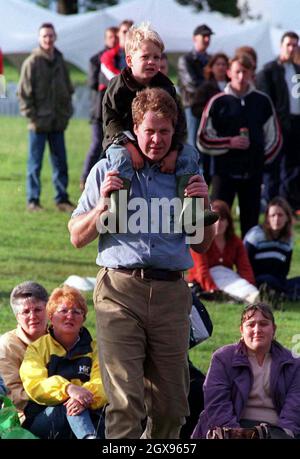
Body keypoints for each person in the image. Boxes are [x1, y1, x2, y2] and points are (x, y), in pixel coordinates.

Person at [68, 87, 215, 439]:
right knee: (125, 402)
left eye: (165, 132)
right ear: (135, 127)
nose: (156, 140)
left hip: (171, 294)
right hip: (120, 291)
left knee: (171, 408)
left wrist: (205, 204)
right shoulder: (108, 170)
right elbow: (76, 235)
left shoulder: (186, 174)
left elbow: (202, 244)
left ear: (174, 130)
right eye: (149, 131)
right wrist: (101, 209)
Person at [101, 22, 217, 230]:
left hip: (160, 144)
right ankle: (116, 211)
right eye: (145, 57)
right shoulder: (117, 87)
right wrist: (129, 146)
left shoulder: (166, 87)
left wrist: (173, 152)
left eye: (157, 57)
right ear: (129, 60)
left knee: (190, 154)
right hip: (124, 142)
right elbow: (110, 120)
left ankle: (191, 212)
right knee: (119, 158)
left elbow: (179, 124)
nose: (152, 62)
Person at [198, 53, 282, 238]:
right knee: (217, 222)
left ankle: (247, 265)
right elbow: (203, 138)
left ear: (252, 73)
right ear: (229, 72)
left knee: (250, 226)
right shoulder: (218, 101)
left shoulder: (262, 101)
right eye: (237, 72)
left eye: (245, 72)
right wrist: (229, 142)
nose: (241, 77)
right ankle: (213, 264)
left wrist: (259, 160)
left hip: (252, 174)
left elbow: (275, 139)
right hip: (223, 173)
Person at [192, 303, 300, 439]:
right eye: (251, 324)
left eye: (263, 324)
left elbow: (295, 407)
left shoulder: (293, 362)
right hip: (231, 429)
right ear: (241, 330)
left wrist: (283, 434)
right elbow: (216, 402)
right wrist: (235, 433)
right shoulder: (223, 358)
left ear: (274, 329)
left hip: (276, 430)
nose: (257, 329)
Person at [20, 285, 107, 440]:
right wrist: (68, 389)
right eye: (63, 311)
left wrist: (83, 398)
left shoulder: (95, 349)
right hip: (45, 418)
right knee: (67, 406)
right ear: (51, 317)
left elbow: (104, 382)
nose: (70, 316)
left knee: (83, 408)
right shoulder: (37, 349)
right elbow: (35, 384)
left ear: (83, 319)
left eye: (76, 312)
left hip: (89, 411)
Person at [18, 22, 74, 213]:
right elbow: (23, 94)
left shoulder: (60, 61)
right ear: (39, 39)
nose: (48, 39)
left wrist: (66, 114)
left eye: (51, 36)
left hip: (58, 122)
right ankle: (33, 201)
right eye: (44, 36)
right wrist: (32, 117)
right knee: (35, 165)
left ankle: (62, 199)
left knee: (60, 163)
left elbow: (69, 89)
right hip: (38, 124)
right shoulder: (31, 63)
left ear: (55, 37)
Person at [256, 31, 300, 215]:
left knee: (295, 166)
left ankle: (291, 206)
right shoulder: (268, 71)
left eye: (295, 45)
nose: (291, 48)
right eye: (288, 44)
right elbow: (265, 102)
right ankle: (271, 207)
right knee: (274, 168)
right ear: (281, 46)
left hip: (297, 124)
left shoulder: (297, 70)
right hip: (277, 126)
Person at [188, 200, 259, 303]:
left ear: (228, 222)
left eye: (222, 219)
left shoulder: (235, 242)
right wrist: (214, 291)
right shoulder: (200, 240)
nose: (218, 224)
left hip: (228, 277)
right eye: (214, 219)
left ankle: (252, 294)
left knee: (237, 282)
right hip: (206, 281)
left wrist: (250, 283)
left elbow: (244, 268)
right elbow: (201, 271)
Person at [0, 281, 48, 422]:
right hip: (24, 416)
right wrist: (56, 399)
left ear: (48, 309)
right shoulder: (7, 345)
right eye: (26, 312)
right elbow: (12, 394)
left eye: (38, 310)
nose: (33, 316)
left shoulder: (58, 338)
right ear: (17, 317)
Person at [80, 26, 119, 190]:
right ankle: (85, 178)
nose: (113, 40)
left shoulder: (121, 58)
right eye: (110, 37)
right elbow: (92, 83)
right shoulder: (97, 60)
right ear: (105, 39)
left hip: (114, 112)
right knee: (97, 144)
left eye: (115, 37)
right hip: (99, 110)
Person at [244, 197, 300, 302]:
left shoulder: (288, 240)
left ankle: (283, 294)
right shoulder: (256, 234)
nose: (276, 219)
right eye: (272, 215)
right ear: (267, 217)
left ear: (287, 218)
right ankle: (284, 294)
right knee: (267, 280)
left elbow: (284, 271)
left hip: (277, 282)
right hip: (256, 279)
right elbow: (244, 263)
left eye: (280, 215)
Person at [191, 52, 229, 183]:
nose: (221, 67)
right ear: (211, 67)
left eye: (224, 64)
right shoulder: (206, 87)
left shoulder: (232, 86)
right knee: (207, 169)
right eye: (218, 64)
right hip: (210, 134)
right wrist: (211, 112)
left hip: (228, 134)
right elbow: (195, 108)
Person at [177, 24, 214, 153]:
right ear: (194, 38)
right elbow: (192, 85)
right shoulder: (185, 59)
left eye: (209, 36)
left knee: (210, 143)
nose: (207, 39)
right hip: (192, 107)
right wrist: (211, 88)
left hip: (210, 107)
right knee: (193, 144)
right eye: (204, 36)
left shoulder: (211, 60)